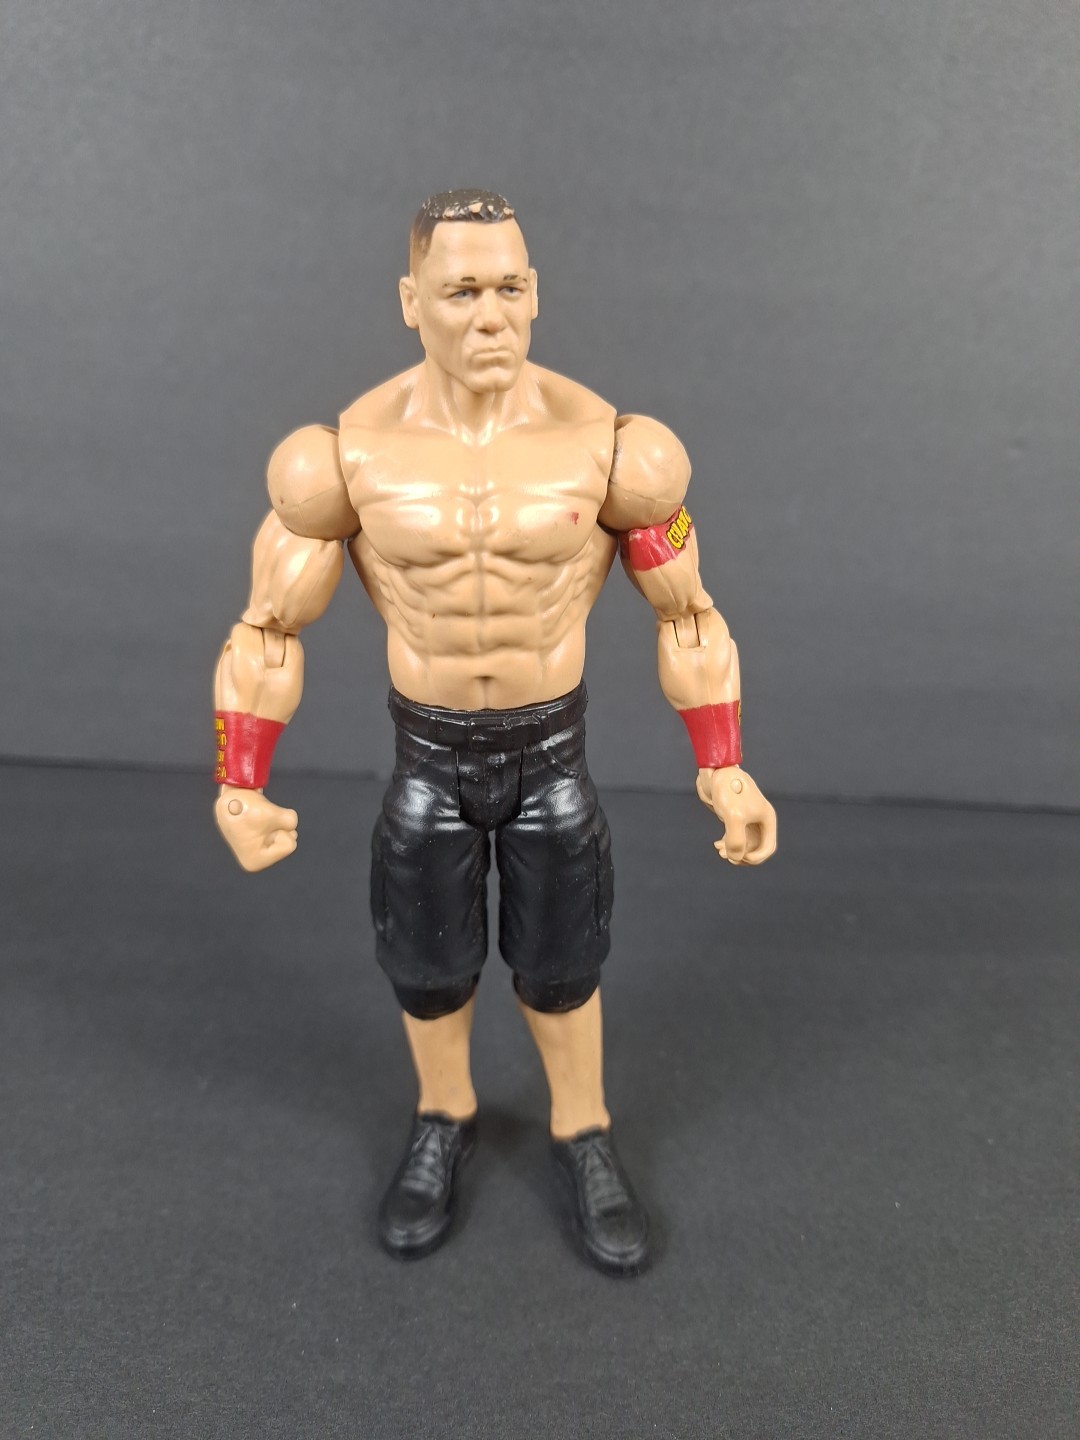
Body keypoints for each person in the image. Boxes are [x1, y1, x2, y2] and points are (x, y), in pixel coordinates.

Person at [212, 190, 777, 1276]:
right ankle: (445, 1115)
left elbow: (690, 615)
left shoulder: (613, 450)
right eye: (462, 290)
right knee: (425, 962)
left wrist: (724, 767)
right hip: (428, 756)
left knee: (565, 961)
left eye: (510, 287)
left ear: (537, 293)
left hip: (550, 752)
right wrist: (241, 779)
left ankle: (583, 1129)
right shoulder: (345, 459)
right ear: (410, 300)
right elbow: (268, 627)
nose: (490, 315)